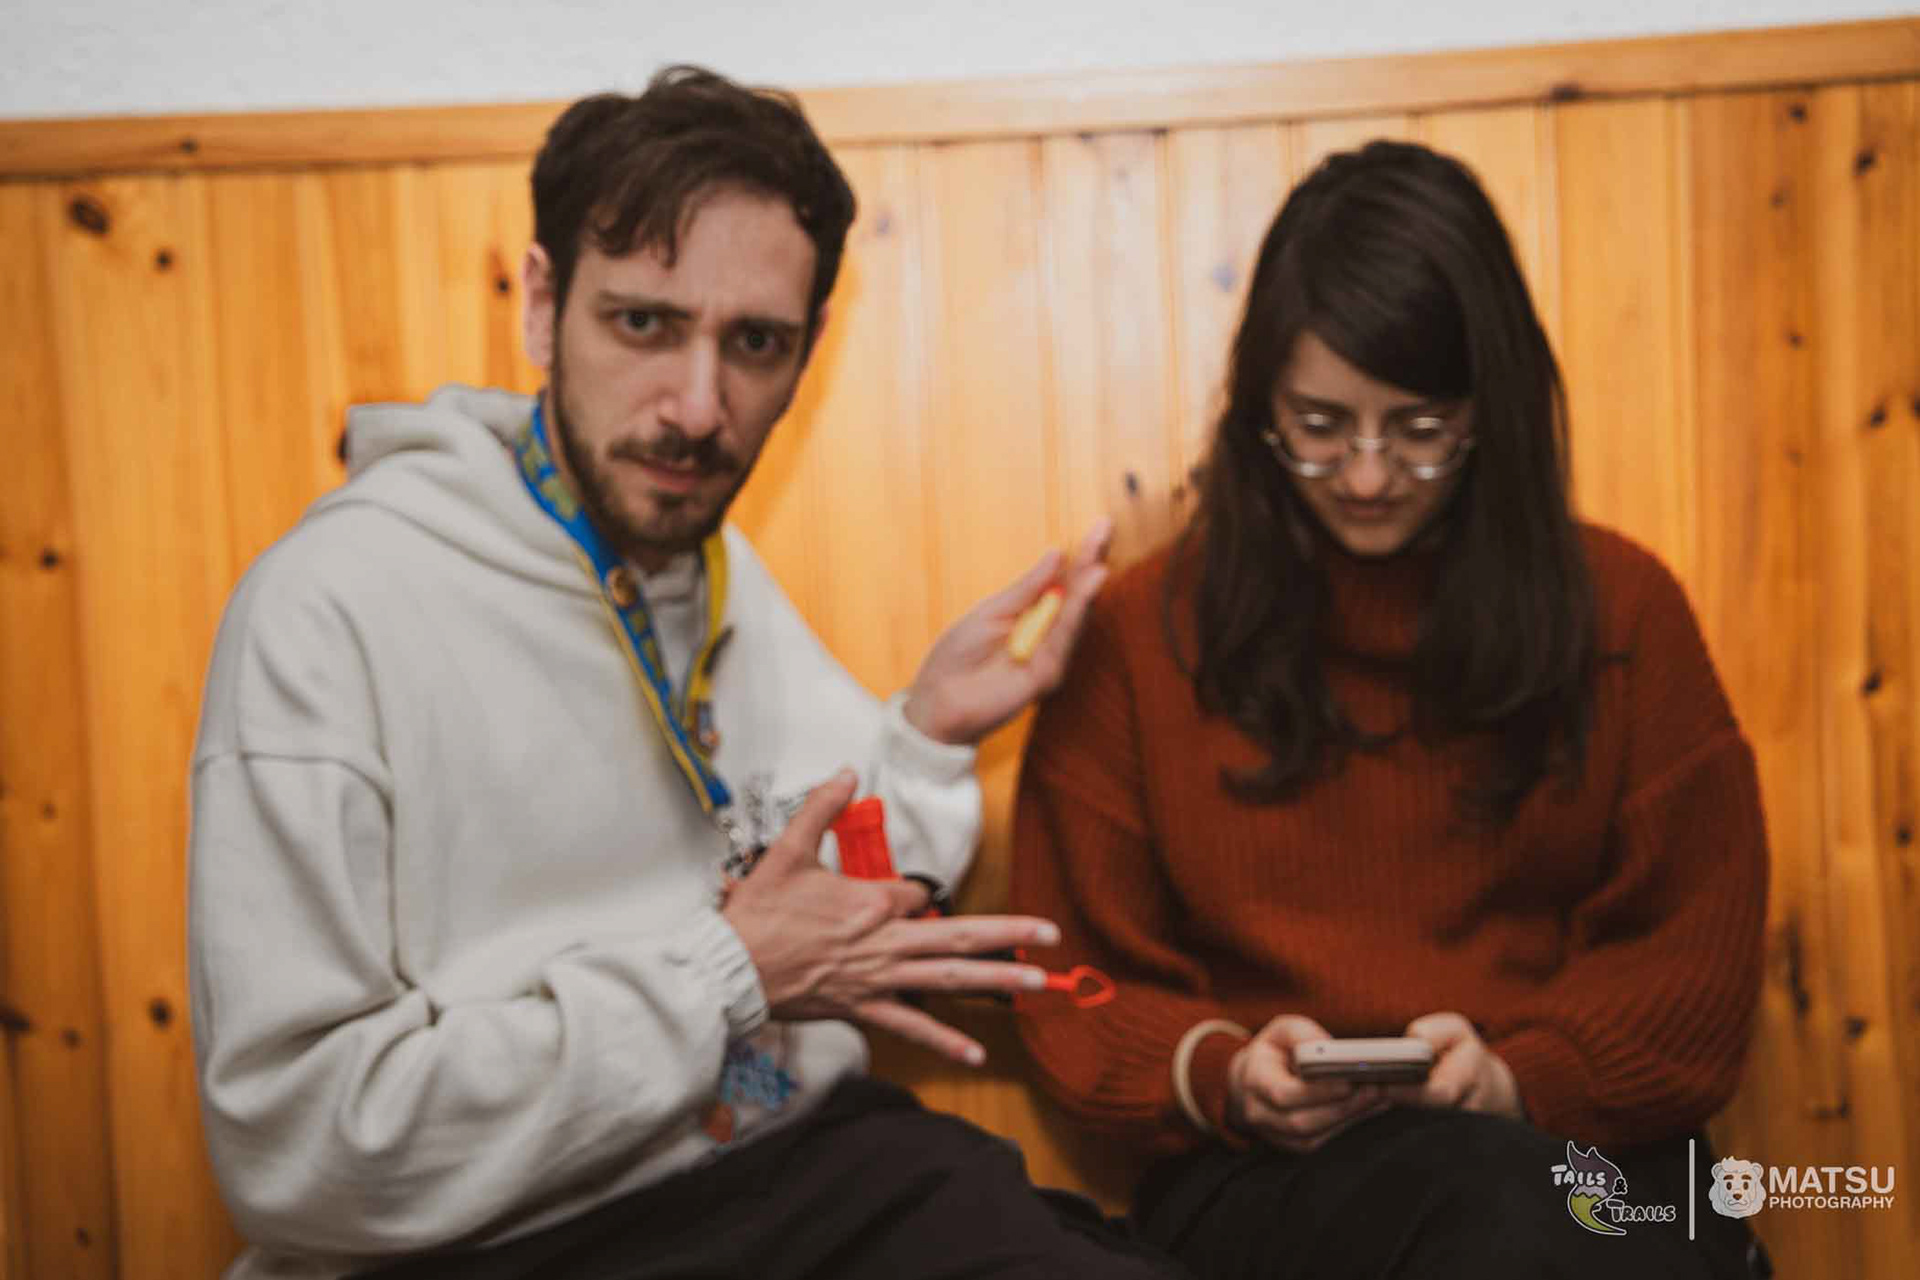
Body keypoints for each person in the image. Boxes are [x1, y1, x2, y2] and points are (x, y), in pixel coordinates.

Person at [188, 66, 1184, 1280]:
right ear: (542, 305)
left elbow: (822, 905)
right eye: (644, 324)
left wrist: (925, 738)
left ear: (808, 352)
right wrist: (718, 979)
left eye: (755, 343)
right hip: (494, 1243)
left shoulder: (704, 560)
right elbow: (294, 1151)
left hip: (780, 1162)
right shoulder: (325, 609)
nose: (699, 409)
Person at [1010, 140, 1770, 1278]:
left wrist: (1516, 1080)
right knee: (1511, 1217)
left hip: (1571, 1145)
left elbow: (1690, 964)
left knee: (1582, 1216)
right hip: (1266, 1177)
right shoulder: (1141, 635)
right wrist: (1226, 1071)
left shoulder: (1619, 612)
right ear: (1259, 408)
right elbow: (1072, 977)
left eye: (1419, 429)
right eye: (1319, 425)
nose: (1366, 476)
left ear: (1490, 411)